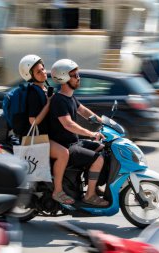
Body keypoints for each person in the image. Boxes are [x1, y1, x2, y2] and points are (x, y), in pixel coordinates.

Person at [49, 59, 109, 207]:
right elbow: (68, 124)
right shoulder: (59, 100)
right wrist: (90, 133)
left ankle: (92, 185)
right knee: (98, 159)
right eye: (75, 75)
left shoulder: (70, 98)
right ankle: (90, 196)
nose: (78, 77)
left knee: (103, 149)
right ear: (64, 77)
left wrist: (103, 122)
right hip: (65, 146)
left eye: (78, 74)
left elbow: (84, 111)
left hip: (74, 141)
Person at [18, 54, 74, 205]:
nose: (43, 72)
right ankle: (57, 191)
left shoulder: (45, 88)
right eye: (38, 72)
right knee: (63, 153)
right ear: (30, 76)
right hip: (36, 139)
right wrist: (49, 104)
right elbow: (34, 121)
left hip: (47, 135)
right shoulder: (33, 93)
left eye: (43, 69)